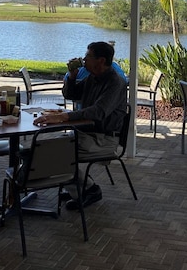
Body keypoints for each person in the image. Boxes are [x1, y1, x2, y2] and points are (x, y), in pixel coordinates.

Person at [34, 41, 127, 209]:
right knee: (48, 145)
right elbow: (71, 94)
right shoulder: (93, 78)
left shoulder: (116, 83)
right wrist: (72, 76)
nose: (84, 59)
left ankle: (89, 189)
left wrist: (64, 117)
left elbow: (98, 111)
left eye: (88, 56)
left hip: (104, 139)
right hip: (85, 133)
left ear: (100, 60)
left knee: (55, 151)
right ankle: (78, 185)